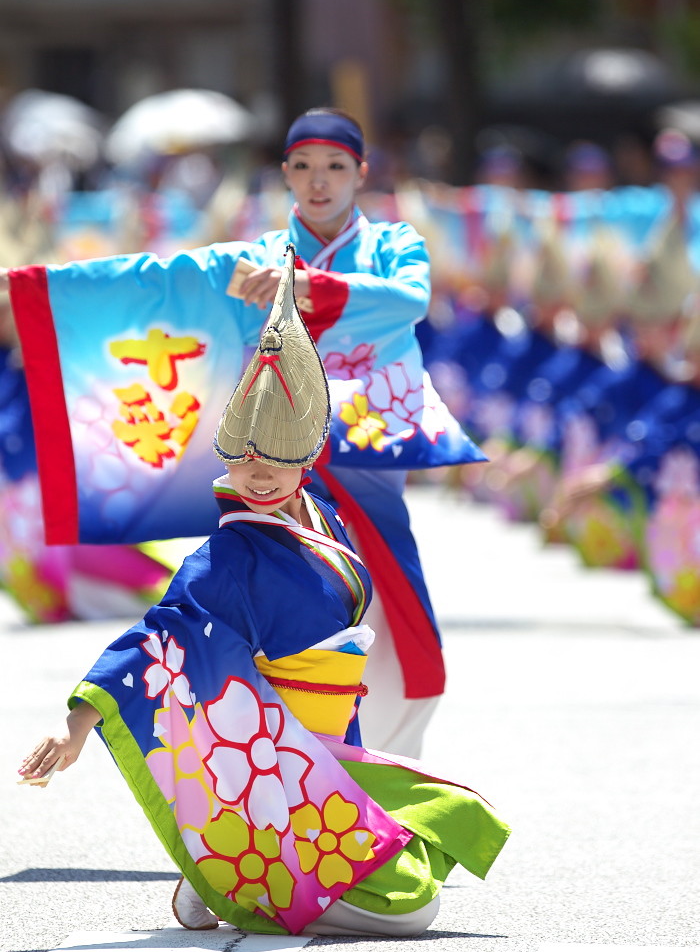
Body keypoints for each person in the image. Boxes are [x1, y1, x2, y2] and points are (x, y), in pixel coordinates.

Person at [18, 249, 509, 938]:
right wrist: (77, 723)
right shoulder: (229, 552)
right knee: (412, 911)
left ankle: (216, 872)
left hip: (331, 744)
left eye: (279, 461)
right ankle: (232, 879)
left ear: (309, 460)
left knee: (448, 825)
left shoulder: (323, 520)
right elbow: (157, 634)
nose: (259, 476)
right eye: (245, 459)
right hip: (277, 759)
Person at [4, 107, 484, 757]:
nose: (320, 182)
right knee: (239, 590)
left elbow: (406, 300)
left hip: (358, 448)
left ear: (361, 172)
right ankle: (266, 760)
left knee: (384, 596)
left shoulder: (395, 244)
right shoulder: (257, 254)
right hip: (269, 454)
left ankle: (379, 759)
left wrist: (302, 286)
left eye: (336, 167)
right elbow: (162, 281)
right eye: (305, 167)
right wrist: (47, 293)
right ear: (285, 173)